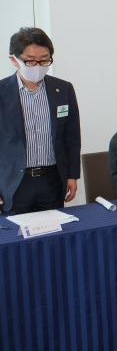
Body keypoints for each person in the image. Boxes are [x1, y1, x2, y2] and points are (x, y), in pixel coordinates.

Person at [0, 27, 81, 213]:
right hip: (13, 183)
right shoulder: (2, 92)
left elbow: (72, 137)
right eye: (30, 61)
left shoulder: (63, 89)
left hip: (52, 180)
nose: (38, 66)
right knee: (15, 231)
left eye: (44, 60)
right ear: (14, 60)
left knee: (54, 230)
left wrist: (72, 175)